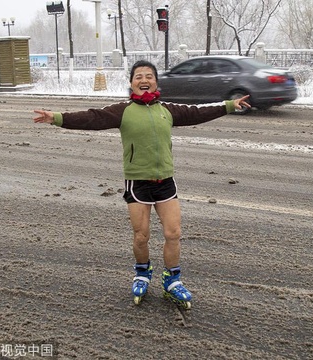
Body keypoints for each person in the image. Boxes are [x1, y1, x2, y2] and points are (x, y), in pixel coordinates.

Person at [33, 60, 250, 308]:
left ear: (156, 81)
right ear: (131, 82)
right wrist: (57, 117)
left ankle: (172, 281)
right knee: (141, 237)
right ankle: (142, 274)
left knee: (173, 233)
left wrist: (230, 105)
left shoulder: (167, 110)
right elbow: (92, 118)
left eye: (149, 75)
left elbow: (197, 112)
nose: (144, 80)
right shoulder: (123, 111)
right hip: (138, 183)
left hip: (165, 181)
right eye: (138, 76)